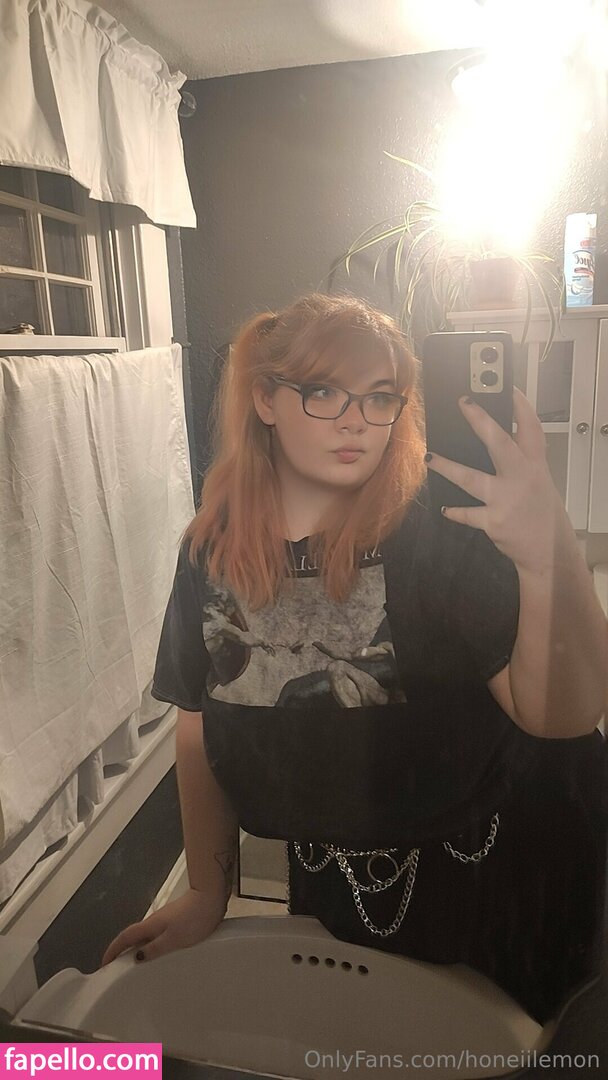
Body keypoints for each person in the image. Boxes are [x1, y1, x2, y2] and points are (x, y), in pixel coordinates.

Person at [101, 293, 608, 1024]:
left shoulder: (441, 526)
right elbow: (198, 723)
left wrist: (548, 548)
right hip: (338, 877)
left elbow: (560, 719)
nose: (355, 421)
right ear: (266, 399)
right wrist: (208, 891)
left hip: (504, 864)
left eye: (379, 397)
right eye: (324, 391)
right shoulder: (213, 553)